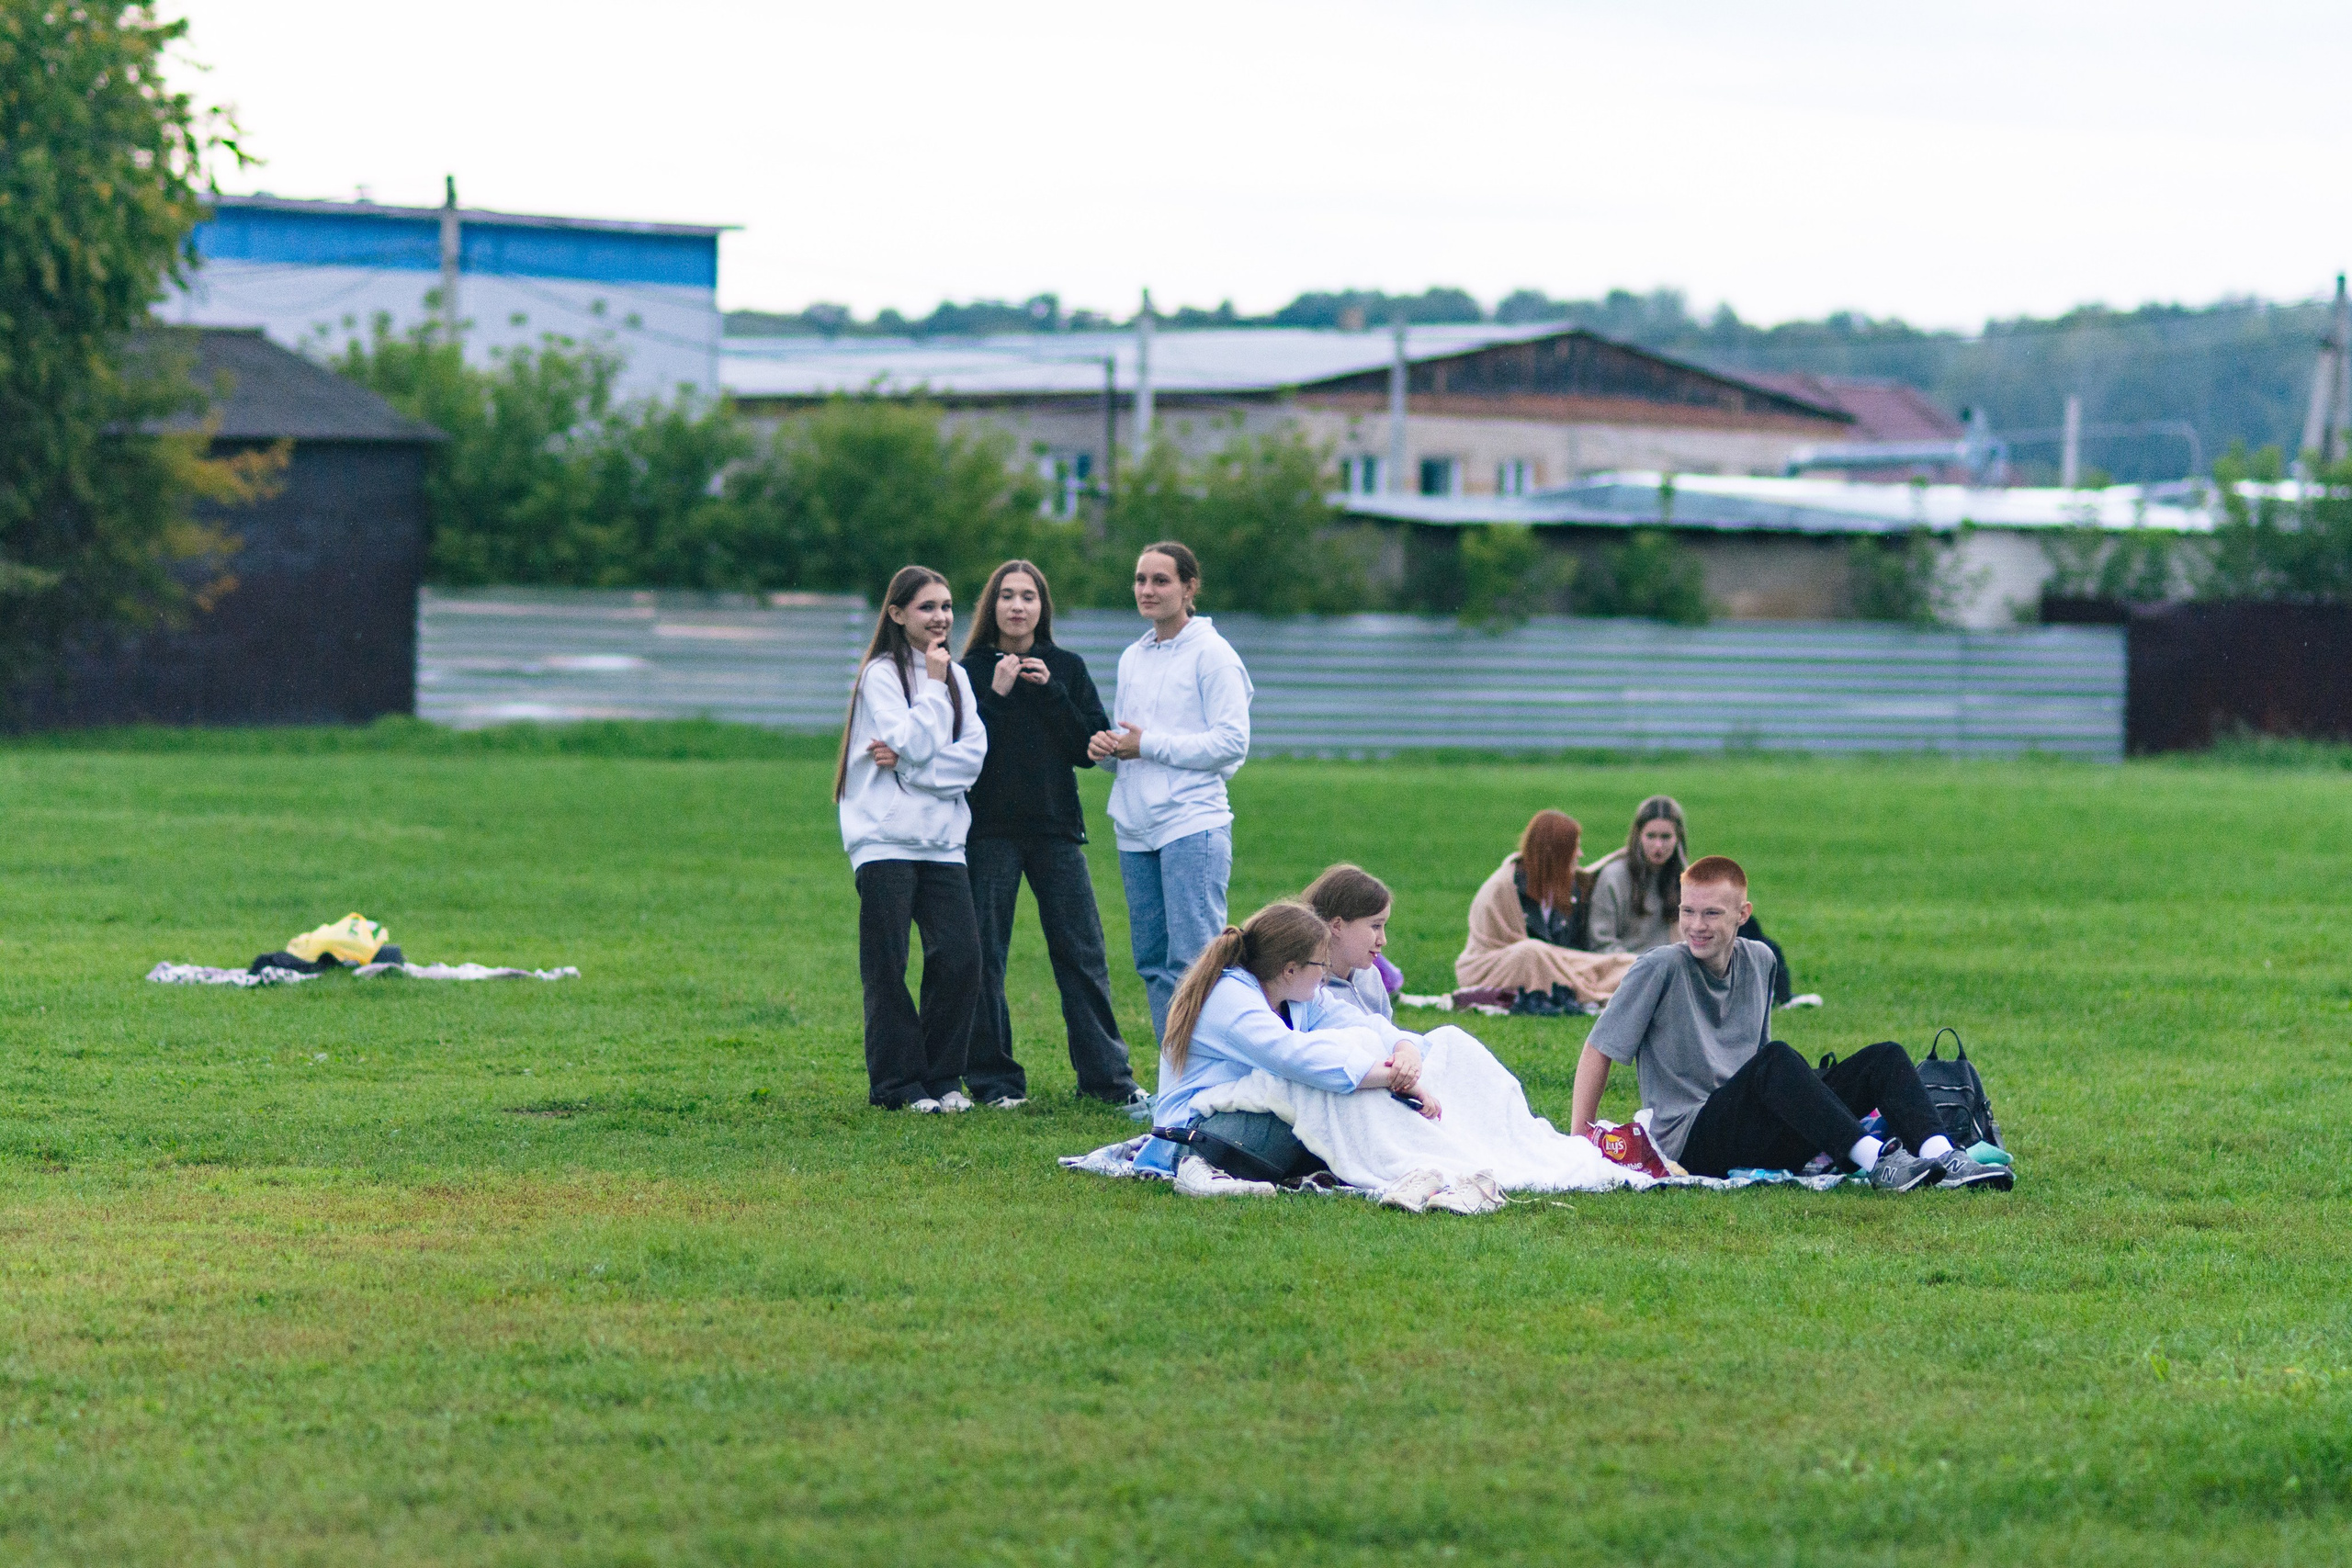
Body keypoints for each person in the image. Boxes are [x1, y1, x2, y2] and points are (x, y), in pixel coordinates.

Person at [1571, 855, 2010, 1190]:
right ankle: (1878, 1162)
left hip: (1754, 1126)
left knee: (1885, 1058)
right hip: (1691, 1138)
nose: (1696, 926)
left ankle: (1945, 1157)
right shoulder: (1659, 967)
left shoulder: (1760, 960)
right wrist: (1577, 1141)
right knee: (1778, 1059)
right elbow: (1599, 1048)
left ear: (1743, 915)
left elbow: (1758, 1064)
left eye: (1711, 914)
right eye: (1688, 912)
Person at [956, 558, 1148, 1114]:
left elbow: (1088, 748)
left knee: (1082, 952)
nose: (1018, 606)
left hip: (1056, 831)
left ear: (1043, 608)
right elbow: (959, 751)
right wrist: (993, 693)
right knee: (986, 955)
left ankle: (1107, 1078)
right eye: (1007, 596)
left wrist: (1051, 692)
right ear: (991, 606)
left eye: (1029, 597)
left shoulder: (1066, 666)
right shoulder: (967, 671)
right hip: (988, 831)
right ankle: (995, 1082)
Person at [1135, 900, 1436, 1185]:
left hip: (1243, 1117)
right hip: (1194, 1135)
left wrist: (1404, 1050)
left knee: (1354, 1053)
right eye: (1321, 964)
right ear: (1290, 969)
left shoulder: (1297, 995)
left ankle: (1412, 1156)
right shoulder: (1229, 999)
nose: (1325, 976)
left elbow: (1362, 1024)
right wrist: (1392, 1079)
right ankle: (1399, 1163)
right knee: (1319, 1090)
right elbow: (1294, 1058)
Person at [835, 565, 988, 1113]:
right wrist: (928, 689)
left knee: (961, 958)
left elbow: (970, 759)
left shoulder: (958, 677)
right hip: (885, 841)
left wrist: (914, 764)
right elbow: (907, 739)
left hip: (944, 843)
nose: (941, 617)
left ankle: (944, 1077)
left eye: (947, 606)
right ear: (898, 614)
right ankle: (897, 1085)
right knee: (888, 962)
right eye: (927, 607)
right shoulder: (881, 674)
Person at [1087, 541, 1253, 1044]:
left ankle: (1212, 1080)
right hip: (1136, 829)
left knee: (1196, 963)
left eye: (1161, 580)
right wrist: (1109, 751)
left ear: (1189, 587)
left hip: (1191, 825)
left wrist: (1148, 744)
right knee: (1154, 964)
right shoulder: (1132, 657)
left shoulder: (1214, 655)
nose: (1147, 590)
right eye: (1140, 580)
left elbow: (1232, 745)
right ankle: (1176, 1085)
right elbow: (1134, 748)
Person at [1454, 809, 1634, 1002]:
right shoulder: (1502, 888)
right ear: (1554, 852)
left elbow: (1591, 875)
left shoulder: (1568, 886)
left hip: (1559, 963)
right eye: (1574, 848)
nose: (1580, 854)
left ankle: (1579, 989)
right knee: (1532, 952)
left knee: (1627, 964)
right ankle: (1588, 995)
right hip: (1498, 965)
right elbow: (1492, 947)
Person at [1589, 795, 1686, 955]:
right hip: (1623, 968)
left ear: (1678, 838)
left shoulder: (1686, 880)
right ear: (1638, 836)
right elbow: (1600, 943)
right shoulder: (1614, 877)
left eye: (1666, 837)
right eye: (1651, 836)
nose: (1658, 845)